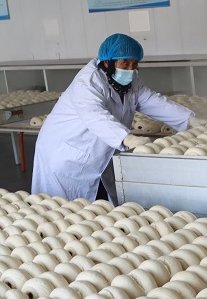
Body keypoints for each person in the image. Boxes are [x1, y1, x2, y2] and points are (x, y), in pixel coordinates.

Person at [32, 33, 195, 203]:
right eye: (125, 63)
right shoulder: (88, 82)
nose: (130, 69)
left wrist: (188, 119)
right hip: (67, 154)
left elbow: (153, 101)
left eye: (134, 64)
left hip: (95, 152)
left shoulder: (131, 81)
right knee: (64, 208)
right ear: (107, 62)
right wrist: (126, 137)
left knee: (98, 206)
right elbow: (95, 116)